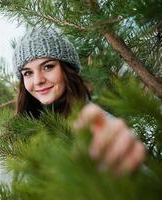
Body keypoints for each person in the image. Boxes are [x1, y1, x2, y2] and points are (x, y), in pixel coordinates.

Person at [13, 27, 145, 175]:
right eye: (28, 73)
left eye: (48, 66)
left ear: (67, 69)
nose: (38, 80)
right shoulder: (20, 134)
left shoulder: (99, 125)